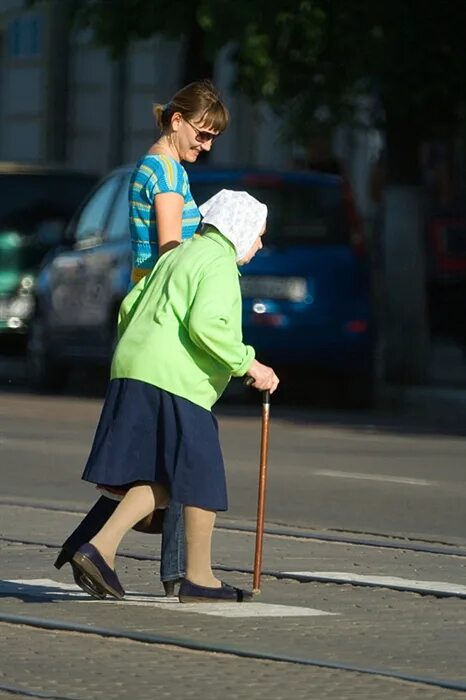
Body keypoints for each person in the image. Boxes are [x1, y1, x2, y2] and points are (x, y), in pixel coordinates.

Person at [54, 79, 230, 596]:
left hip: (142, 312)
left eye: (213, 137)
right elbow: (172, 251)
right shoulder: (168, 174)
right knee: (178, 454)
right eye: (202, 133)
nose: (207, 145)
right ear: (176, 121)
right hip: (165, 323)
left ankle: (101, 547)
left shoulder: (149, 164)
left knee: (156, 456)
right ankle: (167, 569)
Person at [69, 189, 279, 603]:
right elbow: (206, 325)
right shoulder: (218, 262)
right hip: (175, 380)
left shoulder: (178, 253)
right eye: (258, 234)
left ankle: (100, 548)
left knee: (161, 477)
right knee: (199, 477)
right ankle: (197, 579)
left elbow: (130, 305)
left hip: (133, 368)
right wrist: (249, 364)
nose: (260, 244)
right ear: (238, 229)